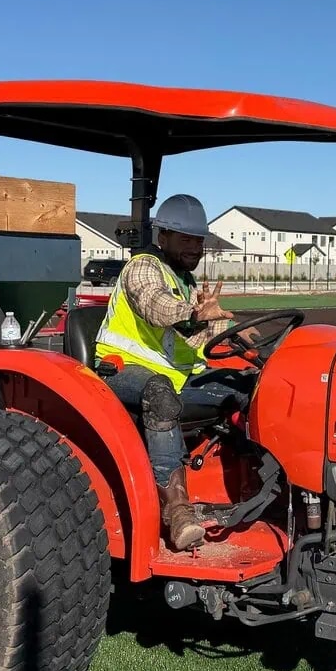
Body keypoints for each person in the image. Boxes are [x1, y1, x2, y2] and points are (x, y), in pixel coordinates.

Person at [94, 193, 242, 550]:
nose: (195, 248)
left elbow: (203, 334)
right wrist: (192, 315)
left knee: (247, 386)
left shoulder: (187, 281)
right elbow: (155, 305)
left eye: (199, 241)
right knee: (160, 395)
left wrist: (244, 338)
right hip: (120, 372)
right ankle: (176, 511)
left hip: (172, 376)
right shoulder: (143, 267)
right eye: (186, 239)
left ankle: (248, 484)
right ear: (163, 237)